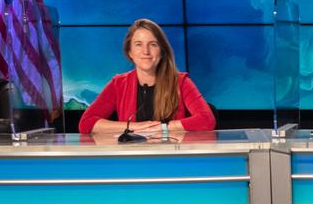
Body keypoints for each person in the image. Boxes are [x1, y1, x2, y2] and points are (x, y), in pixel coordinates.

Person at [79, 19, 215, 134]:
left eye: (153, 44)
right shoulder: (118, 84)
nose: (146, 51)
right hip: (132, 155)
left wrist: (163, 127)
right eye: (138, 44)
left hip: (172, 154)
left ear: (162, 51)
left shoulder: (181, 82)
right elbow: (86, 123)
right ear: (130, 52)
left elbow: (207, 120)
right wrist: (133, 127)